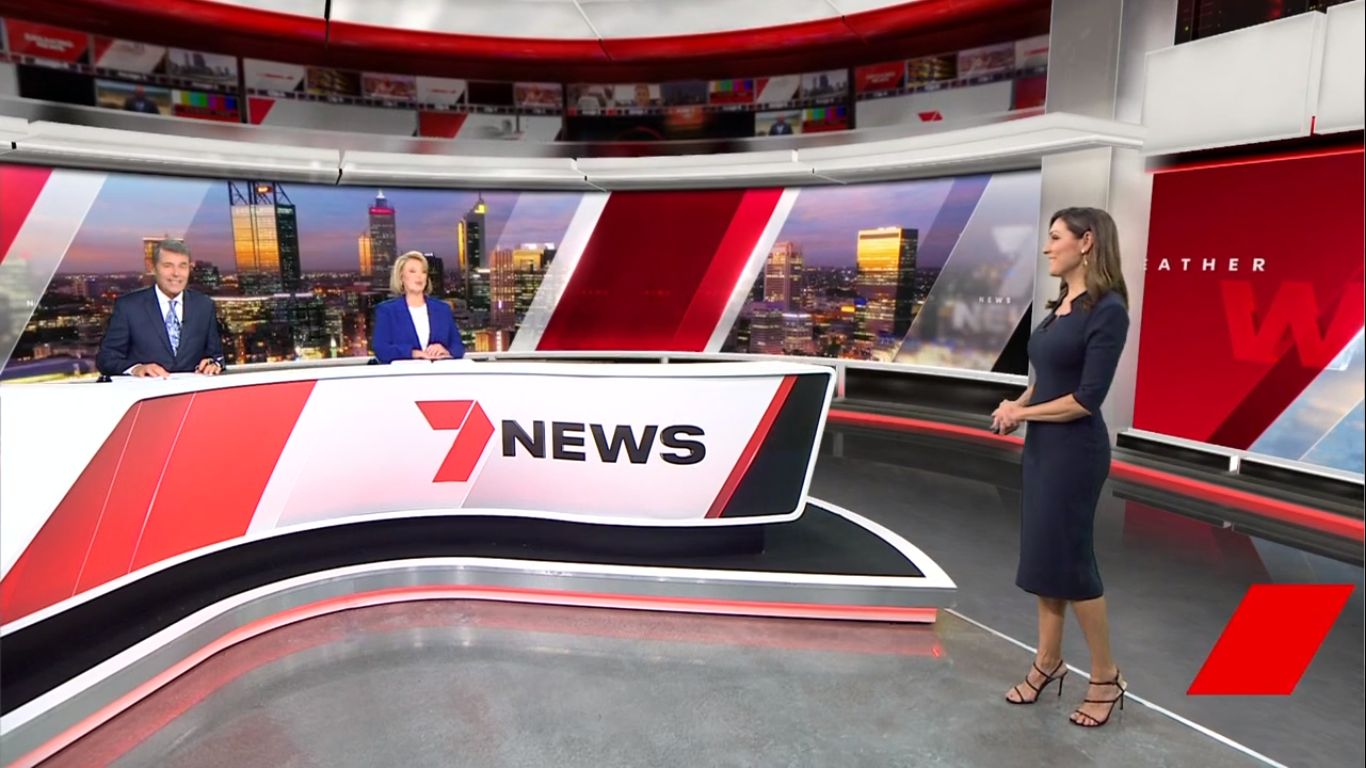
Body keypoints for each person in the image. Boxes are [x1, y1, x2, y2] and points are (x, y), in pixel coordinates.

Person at [992, 207, 1130, 728]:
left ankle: (1106, 676)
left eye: (1055, 237)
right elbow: (1047, 378)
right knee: (1046, 560)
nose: (1047, 247)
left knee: (1071, 564)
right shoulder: (1060, 308)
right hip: (1043, 449)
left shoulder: (1108, 310)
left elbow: (1086, 398)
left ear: (1086, 241)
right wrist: (1018, 404)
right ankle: (1048, 662)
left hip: (1075, 452)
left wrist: (1022, 414)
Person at [96, 239, 225, 377]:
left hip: (193, 389)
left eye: (182, 266)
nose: (176, 273)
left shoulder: (204, 305)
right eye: (168, 266)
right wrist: (136, 369)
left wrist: (214, 363)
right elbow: (106, 359)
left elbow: (216, 355)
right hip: (148, 388)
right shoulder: (129, 307)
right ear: (153, 268)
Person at [371, 251, 465, 363]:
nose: (419, 276)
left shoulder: (443, 309)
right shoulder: (387, 311)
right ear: (401, 277)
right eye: (412, 271)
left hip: (439, 373)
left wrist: (446, 351)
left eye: (423, 272)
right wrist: (414, 353)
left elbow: (458, 347)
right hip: (404, 373)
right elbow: (381, 349)